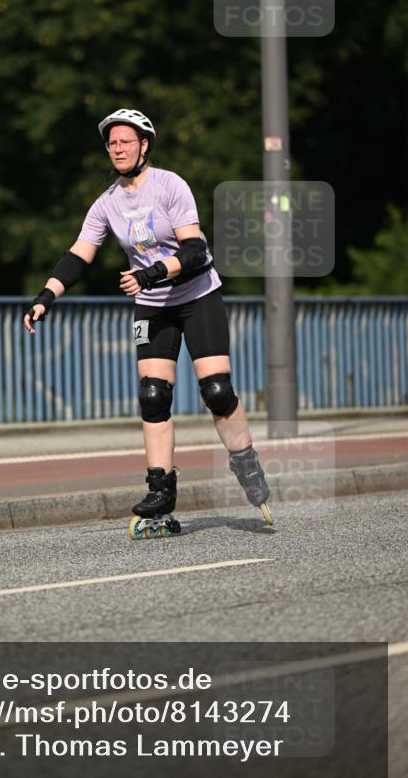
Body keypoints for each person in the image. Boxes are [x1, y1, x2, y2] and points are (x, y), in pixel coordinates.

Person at [23, 108, 272, 537]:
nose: (118, 148)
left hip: (197, 297)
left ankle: (245, 460)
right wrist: (45, 296)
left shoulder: (169, 185)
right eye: (111, 144)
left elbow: (195, 252)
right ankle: (161, 490)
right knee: (153, 395)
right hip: (153, 306)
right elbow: (78, 255)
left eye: (125, 141)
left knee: (217, 390)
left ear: (144, 145)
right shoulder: (107, 203)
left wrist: (151, 273)